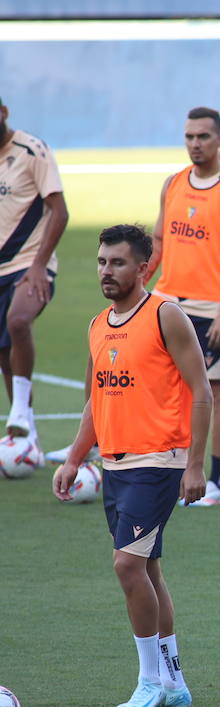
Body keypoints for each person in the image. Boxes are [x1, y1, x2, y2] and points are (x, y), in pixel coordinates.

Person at [53, 224, 211, 707]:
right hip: (115, 465)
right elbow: (94, 402)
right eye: (102, 261)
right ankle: (175, 681)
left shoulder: (166, 315)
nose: (106, 270)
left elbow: (202, 391)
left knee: (127, 566)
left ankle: (148, 682)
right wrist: (75, 457)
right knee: (148, 570)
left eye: (117, 262)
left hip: (158, 462)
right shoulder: (98, 325)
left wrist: (196, 464)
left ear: (144, 268)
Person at [144, 106, 220, 507]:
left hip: (212, 306)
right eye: (189, 136)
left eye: (203, 137)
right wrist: (141, 282)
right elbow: (158, 239)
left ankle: (219, 481)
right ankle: (168, 469)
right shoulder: (173, 183)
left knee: (215, 388)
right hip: (168, 301)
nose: (195, 144)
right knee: (165, 388)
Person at [1, 96, 69, 447]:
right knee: (3, 351)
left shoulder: (31, 150)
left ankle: (20, 416)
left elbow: (60, 211)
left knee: (18, 322)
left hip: (29, 262)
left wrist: (41, 264)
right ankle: (29, 437)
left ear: (4, 113)